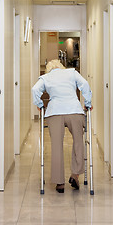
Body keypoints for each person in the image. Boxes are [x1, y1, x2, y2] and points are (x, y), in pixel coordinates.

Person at [32, 59, 92, 193]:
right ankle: (75, 175)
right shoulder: (72, 72)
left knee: (56, 146)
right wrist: (87, 102)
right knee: (78, 142)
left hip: (55, 112)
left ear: (48, 69)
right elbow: (85, 84)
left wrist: (40, 104)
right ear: (61, 67)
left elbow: (35, 89)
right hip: (74, 110)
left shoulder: (46, 77)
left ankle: (59, 183)